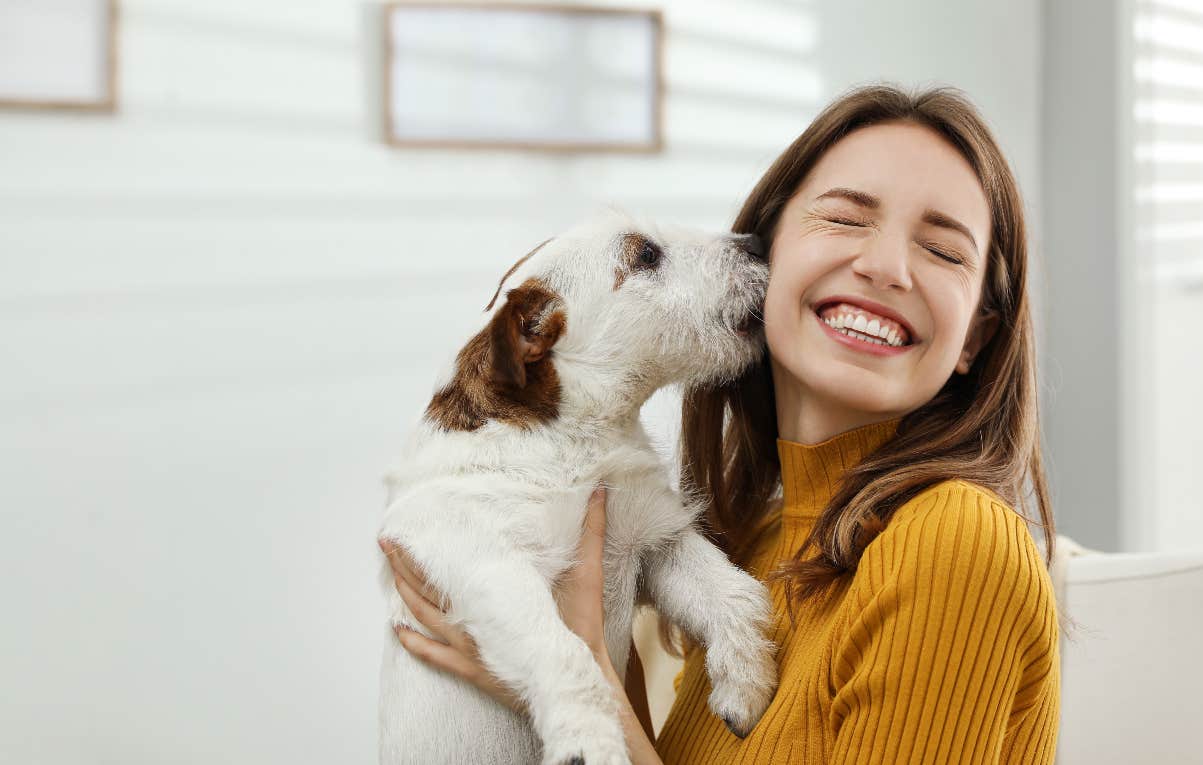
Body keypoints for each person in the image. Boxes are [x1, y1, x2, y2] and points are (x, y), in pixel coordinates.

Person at [380, 83, 1061, 764]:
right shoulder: (760, 541)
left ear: (975, 336)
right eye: (847, 219)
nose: (884, 266)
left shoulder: (956, 542)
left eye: (943, 250)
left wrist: (581, 672)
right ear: (767, 249)